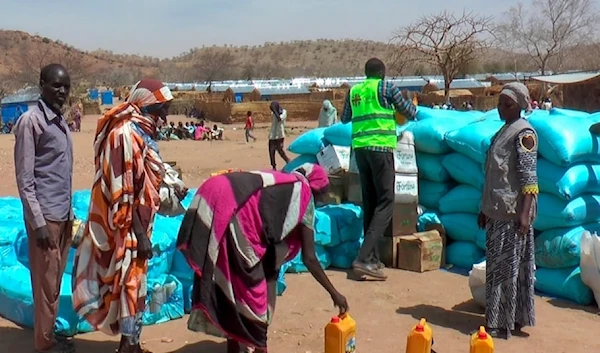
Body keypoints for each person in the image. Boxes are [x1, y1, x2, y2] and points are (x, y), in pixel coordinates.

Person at [177, 163, 348, 353]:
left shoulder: (282, 184)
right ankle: (259, 347)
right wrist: (335, 294)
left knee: (233, 284)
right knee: (254, 299)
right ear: (316, 189)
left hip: (215, 195)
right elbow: (309, 258)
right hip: (232, 211)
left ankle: (234, 346)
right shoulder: (303, 194)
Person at [72, 79, 185, 353]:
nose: (164, 117)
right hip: (123, 226)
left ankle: (130, 344)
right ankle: (128, 347)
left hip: (137, 226)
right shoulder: (123, 135)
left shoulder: (140, 132)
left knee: (133, 286)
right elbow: (122, 191)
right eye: (160, 109)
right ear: (146, 105)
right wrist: (137, 234)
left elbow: (143, 177)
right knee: (128, 285)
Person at [14, 63, 75, 353]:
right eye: (55, 85)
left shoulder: (61, 122)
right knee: (44, 284)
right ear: (41, 85)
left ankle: (48, 333)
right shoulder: (31, 122)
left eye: (66, 86)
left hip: (62, 214)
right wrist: (37, 223)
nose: (62, 91)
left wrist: (71, 214)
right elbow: (25, 179)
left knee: (53, 284)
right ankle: (44, 345)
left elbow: (62, 173)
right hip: (45, 218)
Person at [340, 58, 417, 280]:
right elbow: (408, 112)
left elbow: (345, 118)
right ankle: (363, 257)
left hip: (360, 150)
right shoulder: (386, 87)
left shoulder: (355, 90)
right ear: (382, 73)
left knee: (371, 202)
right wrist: (409, 107)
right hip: (380, 148)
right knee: (386, 202)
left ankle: (372, 258)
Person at [478, 82, 537, 339]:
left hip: (513, 214)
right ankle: (497, 319)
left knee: (509, 270)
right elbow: (493, 175)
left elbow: (529, 179)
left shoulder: (524, 134)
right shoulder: (503, 131)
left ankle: (506, 322)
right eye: (500, 103)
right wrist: (484, 208)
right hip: (496, 211)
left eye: (508, 104)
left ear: (521, 106)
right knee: (496, 269)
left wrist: (524, 215)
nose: (501, 108)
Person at [268, 101, 290, 170]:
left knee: (280, 150)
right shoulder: (273, 113)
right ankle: (273, 166)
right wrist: (274, 111)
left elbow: (279, 119)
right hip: (272, 135)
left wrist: (275, 111)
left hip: (280, 134)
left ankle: (288, 161)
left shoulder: (284, 112)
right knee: (271, 151)